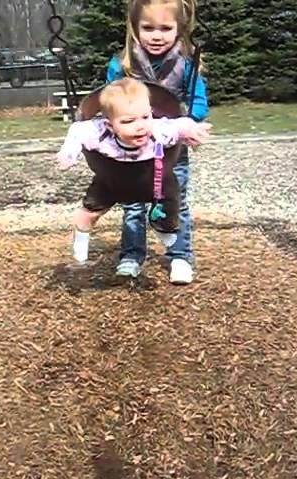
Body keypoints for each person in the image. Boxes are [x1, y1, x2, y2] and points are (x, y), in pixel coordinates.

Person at [106, 0, 210, 284]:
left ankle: (180, 257)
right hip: (131, 150)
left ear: (180, 28)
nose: (156, 35)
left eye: (166, 28)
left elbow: (200, 104)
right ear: (134, 28)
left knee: (175, 202)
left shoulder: (187, 65)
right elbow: (109, 103)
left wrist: (180, 119)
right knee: (132, 204)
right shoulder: (122, 66)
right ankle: (131, 255)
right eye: (148, 27)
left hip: (172, 150)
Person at [56, 78, 210, 264]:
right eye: (128, 121)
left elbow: (181, 124)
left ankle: (163, 227)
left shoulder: (158, 130)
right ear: (110, 125)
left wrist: (193, 131)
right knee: (87, 214)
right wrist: (69, 153)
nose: (140, 126)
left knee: (170, 202)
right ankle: (80, 240)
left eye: (145, 117)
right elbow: (77, 131)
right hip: (111, 179)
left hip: (152, 178)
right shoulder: (98, 132)